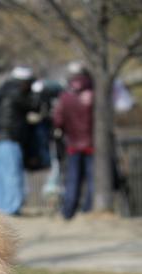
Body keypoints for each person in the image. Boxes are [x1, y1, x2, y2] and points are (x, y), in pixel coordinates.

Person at [0, 66, 37, 215]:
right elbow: (34, 105)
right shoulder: (17, 92)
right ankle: (12, 208)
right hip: (9, 138)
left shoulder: (1, 91)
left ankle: (2, 207)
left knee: (1, 175)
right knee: (12, 174)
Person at [53, 62, 94, 219]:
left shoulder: (65, 96)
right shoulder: (94, 94)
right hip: (92, 144)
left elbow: (58, 120)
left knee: (72, 178)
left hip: (73, 145)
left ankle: (68, 211)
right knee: (92, 179)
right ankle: (88, 209)